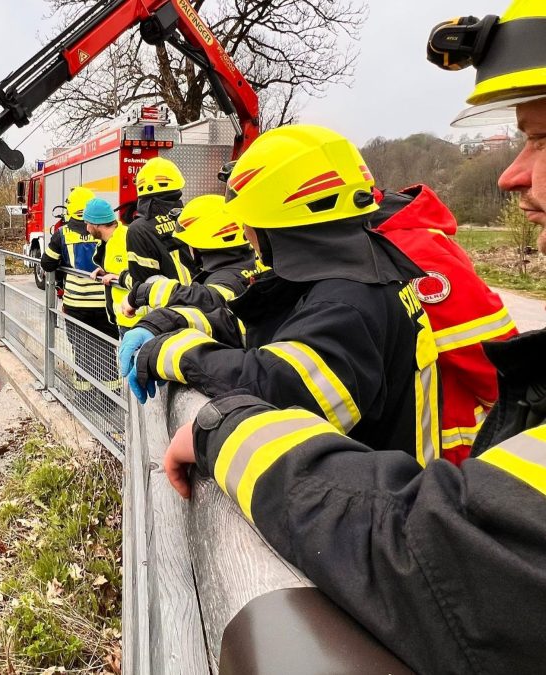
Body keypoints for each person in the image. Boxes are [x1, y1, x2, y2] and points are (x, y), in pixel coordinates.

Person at [160, 3, 546, 671]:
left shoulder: (348, 298)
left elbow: (290, 387)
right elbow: (251, 315)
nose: (513, 175)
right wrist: (195, 325)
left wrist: (193, 380)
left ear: (281, 227)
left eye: (541, 137)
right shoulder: (362, 268)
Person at [124, 125, 440, 462]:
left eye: (249, 220)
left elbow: (280, 386)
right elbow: (246, 323)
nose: (245, 232)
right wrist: (163, 323)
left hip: (383, 504)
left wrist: (173, 353)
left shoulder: (349, 301)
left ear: (277, 222)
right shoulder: (347, 270)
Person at [370, 183, 518, 464]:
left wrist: (517, 419)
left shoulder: (408, 247)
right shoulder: (383, 239)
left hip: (448, 447)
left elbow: (486, 353)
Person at [41, 186, 118, 407]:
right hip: (105, 304)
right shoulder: (107, 232)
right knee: (105, 349)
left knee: (81, 350)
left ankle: (84, 399)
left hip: (77, 304)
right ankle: (109, 400)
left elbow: (47, 263)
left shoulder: (62, 234)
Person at [123, 194, 257, 316]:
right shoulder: (254, 263)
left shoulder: (225, 279)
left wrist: (143, 292)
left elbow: (207, 299)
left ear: (201, 247)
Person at [123, 157, 200, 295]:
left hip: (169, 309)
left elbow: (142, 284)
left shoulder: (139, 229)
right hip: (202, 300)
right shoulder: (192, 217)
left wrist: (123, 277)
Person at [85, 197, 139, 337]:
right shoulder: (110, 241)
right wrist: (106, 272)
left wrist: (117, 277)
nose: (86, 229)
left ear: (96, 224)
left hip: (136, 322)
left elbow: (143, 275)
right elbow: (123, 268)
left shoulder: (127, 238)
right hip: (124, 318)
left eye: (87, 224)